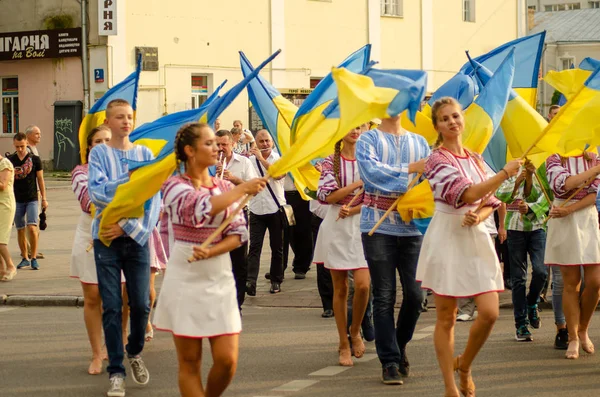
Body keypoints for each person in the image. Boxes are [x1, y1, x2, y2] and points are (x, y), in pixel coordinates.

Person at [416, 97, 522, 397]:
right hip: (447, 235)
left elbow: (491, 201)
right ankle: (450, 386)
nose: (452, 122)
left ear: (463, 119)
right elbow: (465, 194)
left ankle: (464, 365)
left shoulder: (475, 158)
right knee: (446, 316)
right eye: (445, 118)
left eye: (456, 116)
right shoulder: (435, 160)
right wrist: (503, 174)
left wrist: (482, 214)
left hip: (476, 236)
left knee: (489, 313)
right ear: (437, 126)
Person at [153, 122, 266, 397]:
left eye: (217, 143)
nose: (216, 147)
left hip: (219, 276)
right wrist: (242, 189)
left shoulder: (223, 186)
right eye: (208, 143)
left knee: (227, 361)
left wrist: (212, 251)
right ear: (190, 151)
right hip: (185, 275)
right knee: (190, 362)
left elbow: (239, 233)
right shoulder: (173, 186)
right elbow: (198, 209)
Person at [88, 99, 161, 396]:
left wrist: (127, 226)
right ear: (108, 121)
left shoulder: (145, 154)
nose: (126, 122)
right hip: (105, 239)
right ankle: (116, 370)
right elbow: (98, 192)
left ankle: (134, 352)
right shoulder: (99, 153)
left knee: (142, 303)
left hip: (137, 239)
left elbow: (152, 198)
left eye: (129, 117)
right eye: (119, 117)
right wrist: (130, 182)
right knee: (112, 306)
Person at [356, 115, 430, 385]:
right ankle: (389, 361)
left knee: (416, 295)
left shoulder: (420, 142)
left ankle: (398, 346)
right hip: (378, 224)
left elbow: (430, 178)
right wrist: (413, 168)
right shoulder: (369, 139)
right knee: (384, 295)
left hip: (412, 227)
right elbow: (370, 174)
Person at [314, 127, 370, 367]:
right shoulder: (330, 162)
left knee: (363, 285)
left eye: (360, 126)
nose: (355, 130)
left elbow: (376, 194)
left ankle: (355, 330)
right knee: (340, 290)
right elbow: (327, 196)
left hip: (363, 224)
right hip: (337, 224)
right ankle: (343, 342)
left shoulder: (370, 159)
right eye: (351, 125)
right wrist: (357, 184)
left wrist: (354, 207)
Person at [545, 151, 600, 359]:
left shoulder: (593, 154)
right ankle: (572, 337)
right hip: (562, 220)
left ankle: (583, 329)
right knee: (571, 283)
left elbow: (594, 194)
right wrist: (594, 170)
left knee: (595, 282)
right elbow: (563, 185)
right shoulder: (554, 157)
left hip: (586, 218)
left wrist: (571, 209)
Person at [70, 125, 112, 375]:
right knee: (93, 296)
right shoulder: (80, 172)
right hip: (90, 237)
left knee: (119, 298)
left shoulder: (126, 168)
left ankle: (117, 340)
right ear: (89, 147)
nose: (104, 144)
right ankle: (97, 354)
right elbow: (88, 202)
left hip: (120, 235)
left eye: (108, 140)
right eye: (98, 141)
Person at [496, 161, 549, 342]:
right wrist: (518, 180)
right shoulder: (509, 169)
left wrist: (531, 204)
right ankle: (521, 323)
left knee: (541, 271)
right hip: (514, 229)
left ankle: (532, 302)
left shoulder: (540, 169)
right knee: (518, 278)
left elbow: (545, 196)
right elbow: (501, 196)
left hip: (537, 227)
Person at [215, 129, 259, 309]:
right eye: (217, 145)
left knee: (238, 262)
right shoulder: (207, 163)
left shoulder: (244, 162)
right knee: (216, 264)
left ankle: (236, 305)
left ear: (233, 144)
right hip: (214, 219)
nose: (220, 148)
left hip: (237, 215)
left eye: (224, 144)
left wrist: (233, 179)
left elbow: (254, 187)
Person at [246, 130, 286, 295]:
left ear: (272, 142)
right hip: (256, 208)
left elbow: (278, 174)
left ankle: (276, 280)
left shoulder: (278, 159)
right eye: (261, 141)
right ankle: (250, 281)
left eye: (267, 141)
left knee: (277, 247)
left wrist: (261, 159)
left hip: (275, 208)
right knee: (255, 247)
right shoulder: (249, 160)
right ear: (256, 142)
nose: (264, 144)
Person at [8, 132, 47, 271]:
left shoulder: (35, 159)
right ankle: (25, 258)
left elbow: (40, 180)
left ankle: (34, 258)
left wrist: (44, 198)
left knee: (32, 227)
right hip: (16, 199)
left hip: (32, 198)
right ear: (14, 144)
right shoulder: (10, 160)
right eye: (17, 146)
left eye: (22, 146)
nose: (20, 149)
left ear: (27, 144)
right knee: (20, 230)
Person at [25, 124, 44, 259]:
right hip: (29, 192)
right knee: (31, 222)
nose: (39, 136)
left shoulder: (34, 149)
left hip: (35, 190)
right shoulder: (26, 150)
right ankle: (29, 249)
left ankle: (32, 248)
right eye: (37, 133)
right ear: (29, 135)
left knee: (34, 221)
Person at [0, 151, 16, 281]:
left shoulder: (5, 164)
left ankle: (11, 267)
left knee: (0, 240)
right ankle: (1, 268)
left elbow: (2, 186)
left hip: (5, 205)